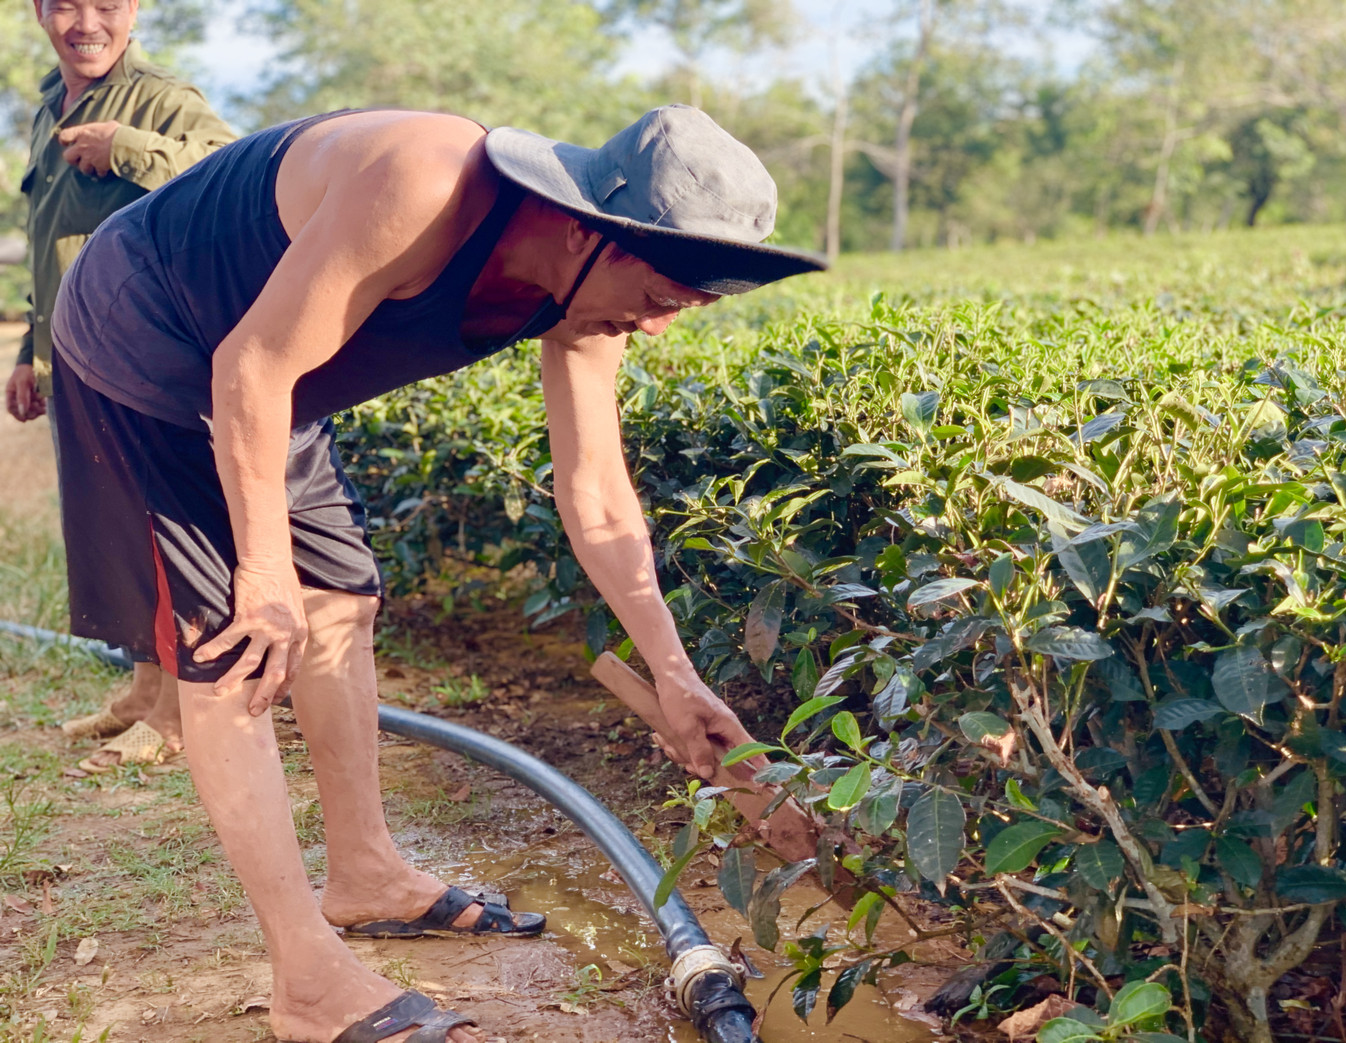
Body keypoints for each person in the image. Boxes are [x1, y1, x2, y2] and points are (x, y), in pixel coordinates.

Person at [49, 103, 825, 1042]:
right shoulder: (423, 182)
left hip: (269, 377)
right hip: (156, 337)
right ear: (595, 227)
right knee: (236, 645)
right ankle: (304, 977)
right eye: (662, 296)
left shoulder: (592, 296)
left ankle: (365, 871)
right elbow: (248, 366)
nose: (656, 327)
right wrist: (259, 571)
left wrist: (675, 672)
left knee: (340, 601)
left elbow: (598, 495)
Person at [5, 0, 235, 771]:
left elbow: (226, 174)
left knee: (163, 528)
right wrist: (29, 354)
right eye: (66, 3)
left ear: (132, 10)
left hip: (141, 348)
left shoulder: (162, 100)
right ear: (40, 12)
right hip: (72, 346)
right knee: (113, 526)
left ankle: (175, 713)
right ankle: (141, 689)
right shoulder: (48, 105)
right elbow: (51, 236)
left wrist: (126, 146)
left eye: (106, 3)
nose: (86, 22)